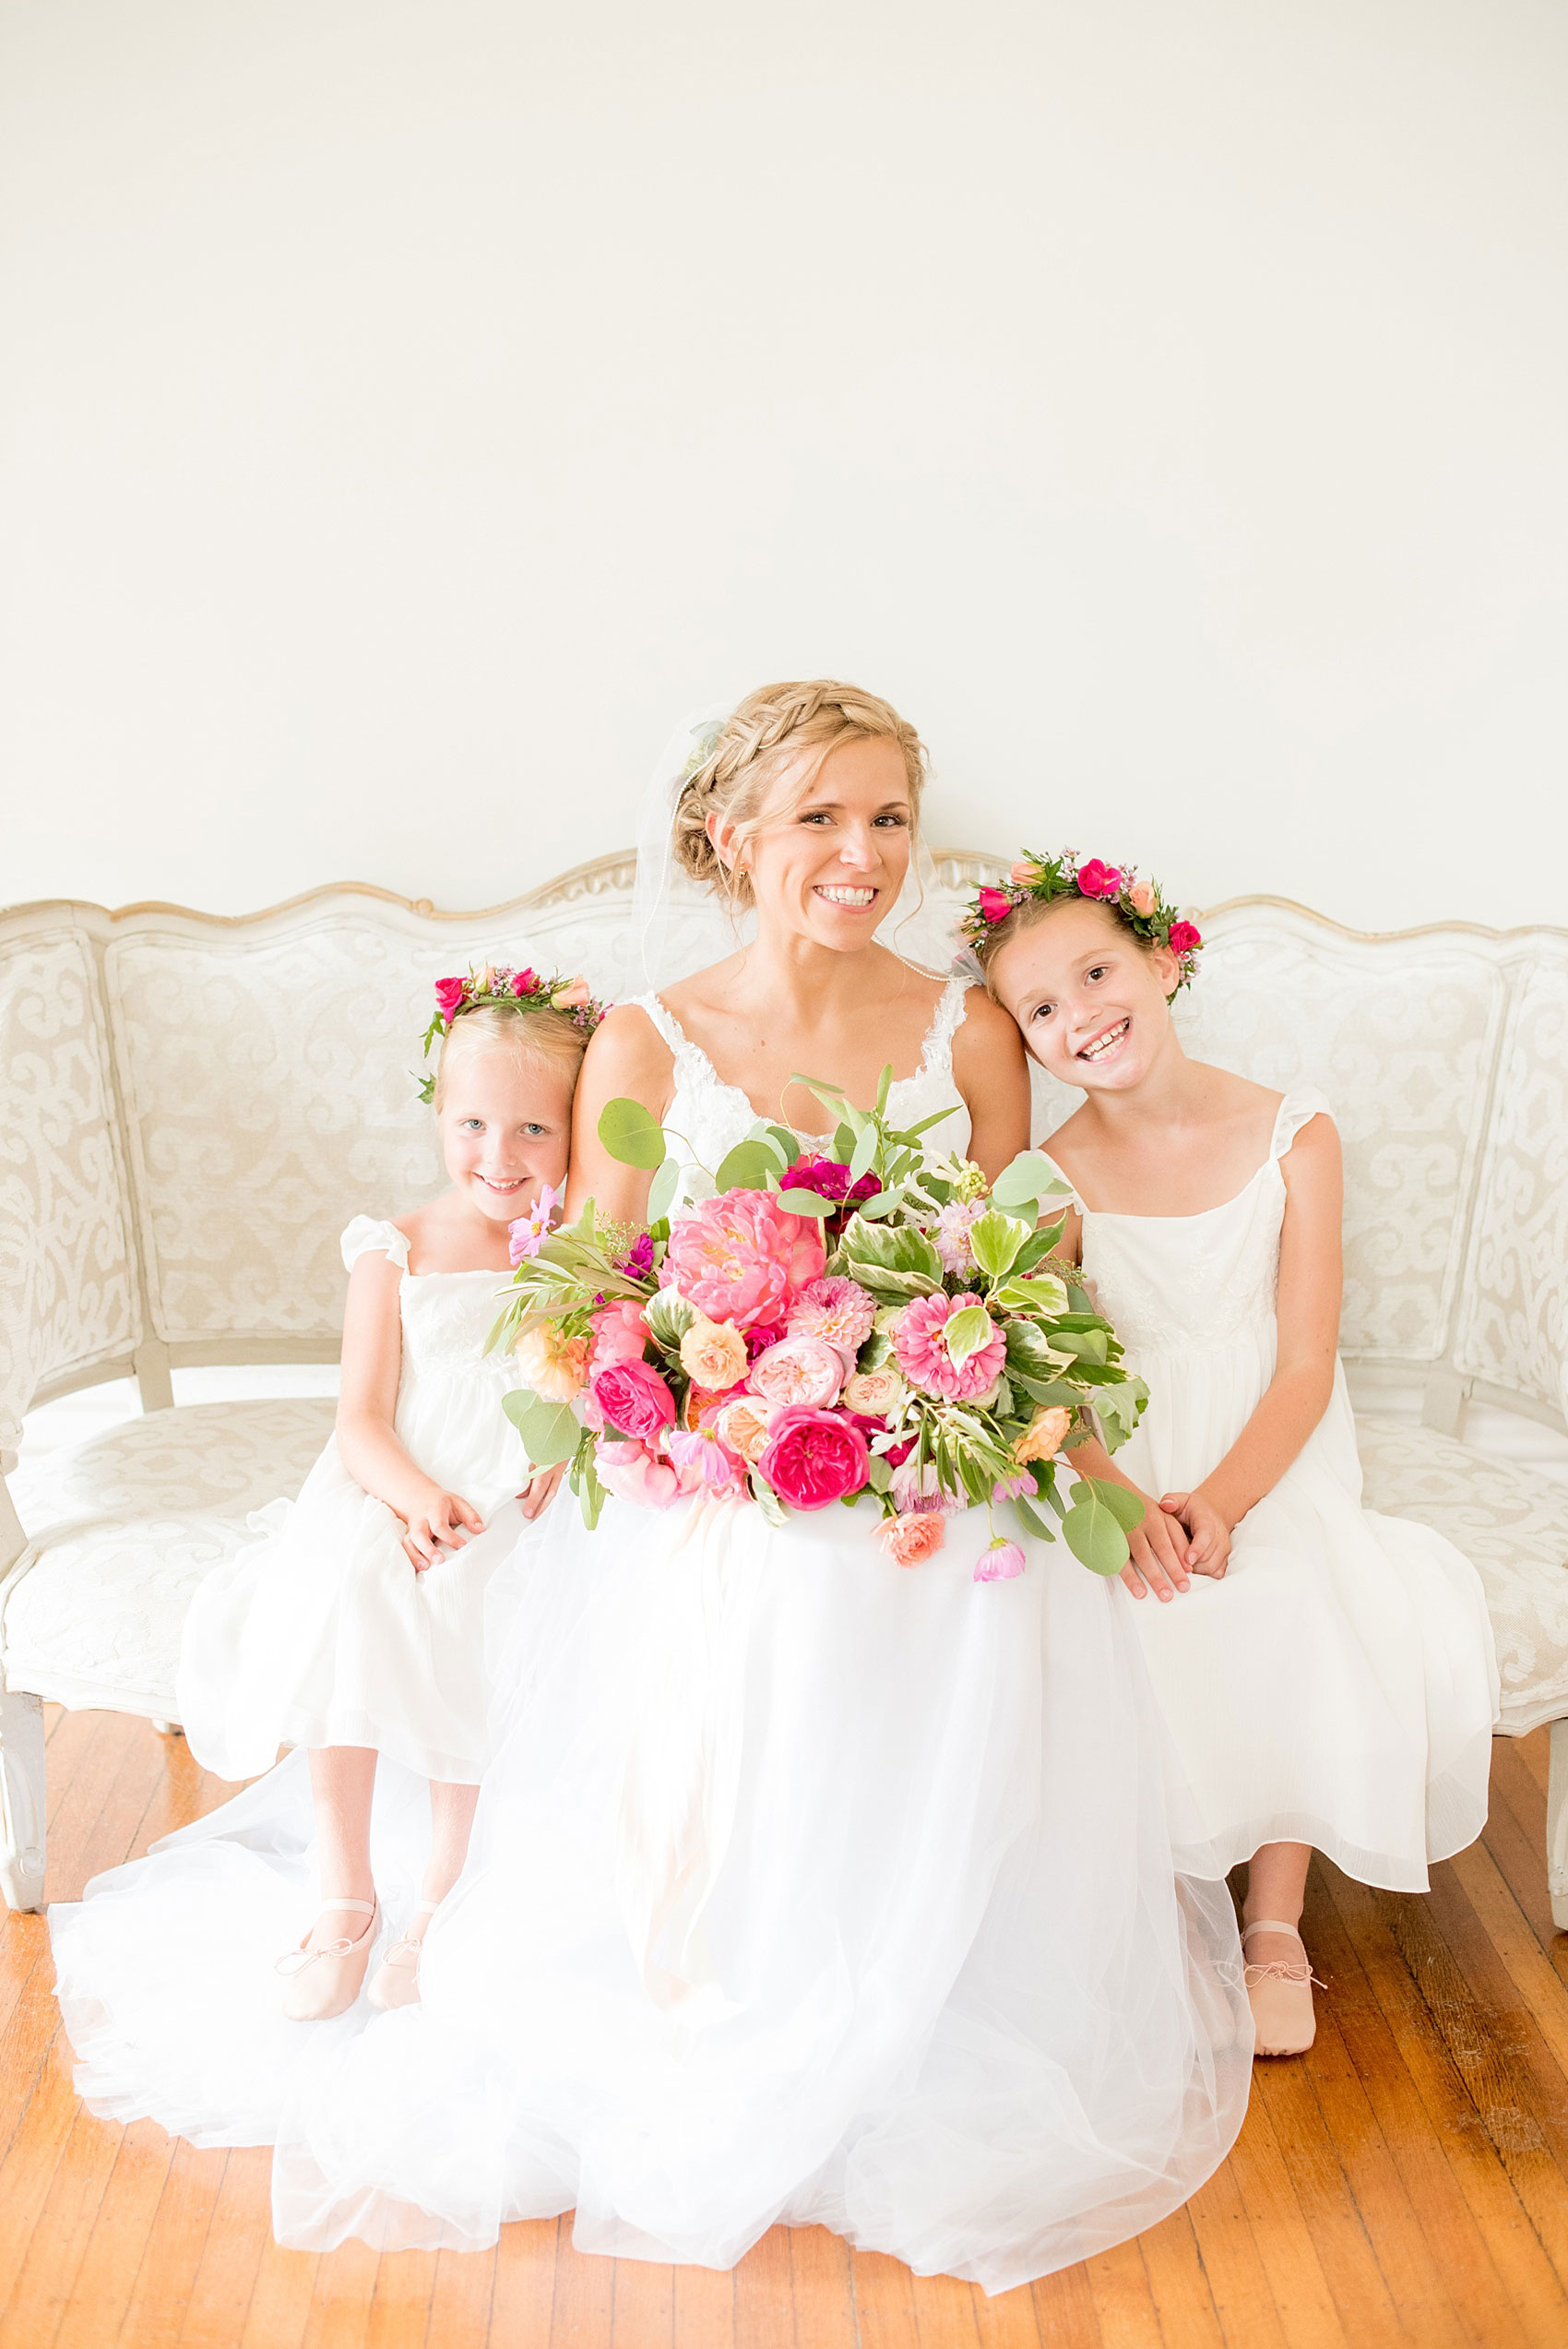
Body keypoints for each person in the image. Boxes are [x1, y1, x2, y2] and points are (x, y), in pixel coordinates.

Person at [260, 683, 1253, 2291]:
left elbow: (1030, 1262)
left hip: (942, 1448)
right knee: (775, 1579)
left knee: (931, 1577)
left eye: (887, 821)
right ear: (732, 836)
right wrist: (695, 1411)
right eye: (820, 818)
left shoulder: (968, 1025)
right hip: (727, 1463)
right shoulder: (651, 1036)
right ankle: (730, 1981)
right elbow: (582, 1294)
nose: (861, 854)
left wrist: (1002, 1400)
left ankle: (916, 1986)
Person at [973, 852, 1500, 2055]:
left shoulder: (1293, 1130)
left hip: (1271, 1437)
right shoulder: (1049, 1181)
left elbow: (1308, 1358)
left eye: (1097, 972)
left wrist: (1221, 1497)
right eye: (1042, 1008)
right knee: (1111, 1603)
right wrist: (1112, 1491)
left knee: (1296, 1587)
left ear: (1164, 961)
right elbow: (1059, 1374)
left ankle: (1273, 1917)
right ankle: (1156, 1890)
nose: (1080, 1016)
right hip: (1126, 1440)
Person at [51, 976, 593, 2060]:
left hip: (510, 1486)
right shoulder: (393, 1246)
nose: (501, 1152)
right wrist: (413, 1495)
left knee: (485, 1595)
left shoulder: (577, 1243)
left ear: (576, 1126)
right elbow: (356, 1419)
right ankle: (344, 1883)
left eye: (535, 1126)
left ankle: (445, 1882)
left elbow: (594, 1373)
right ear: (437, 1116)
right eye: (472, 1122)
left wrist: (563, 1438)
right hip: (398, 1476)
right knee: (356, 1587)